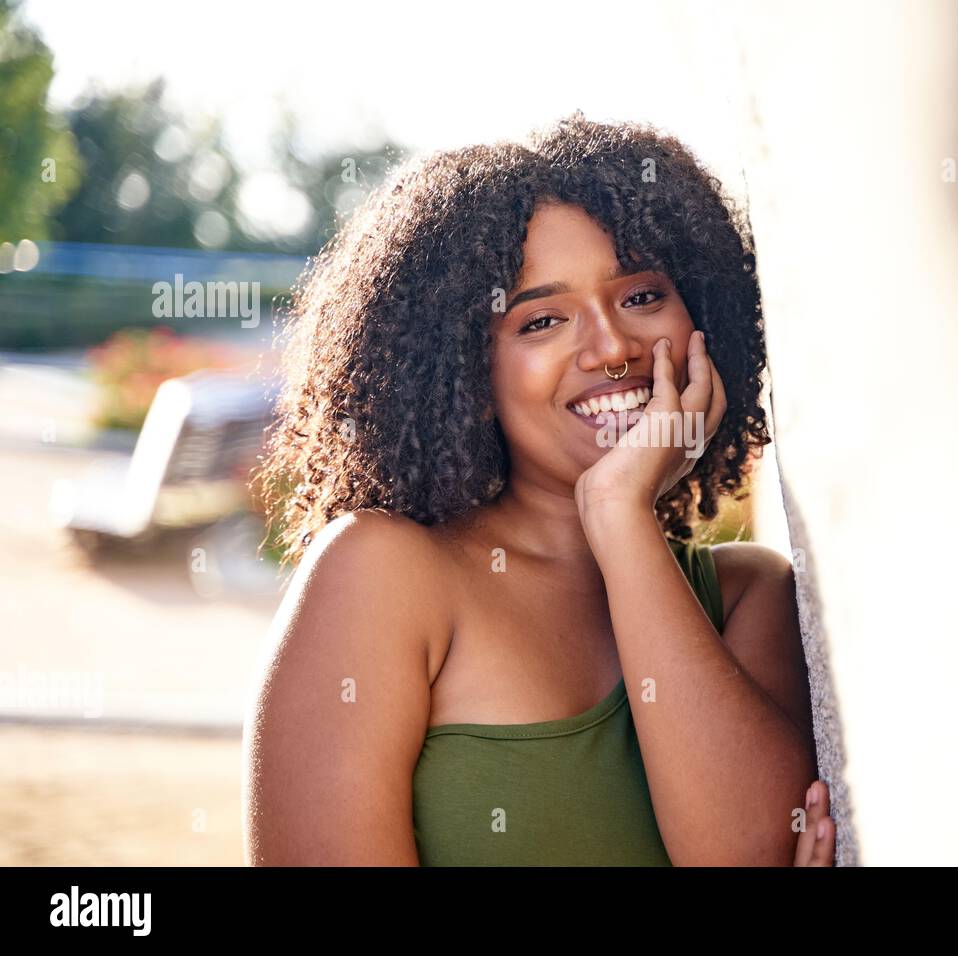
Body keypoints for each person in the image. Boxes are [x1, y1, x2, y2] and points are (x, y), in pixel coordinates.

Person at [242, 112, 836, 866]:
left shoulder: (748, 597)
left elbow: (749, 855)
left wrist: (619, 517)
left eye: (643, 296)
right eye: (542, 320)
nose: (613, 347)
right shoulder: (382, 575)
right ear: (466, 369)